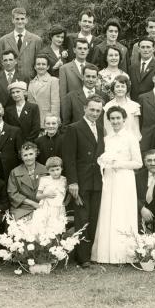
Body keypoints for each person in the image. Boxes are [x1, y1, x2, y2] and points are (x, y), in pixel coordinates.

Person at [91, 105, 142, 264]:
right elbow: (101, 158)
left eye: (118, 118)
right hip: (109, 179)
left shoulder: (131, 137)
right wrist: (103, 162)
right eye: (112, 118)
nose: (115, 121)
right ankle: (106, 254)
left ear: (124, 119)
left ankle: (124, 253)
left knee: (122, 211)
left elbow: (138, 163)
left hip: (124, 178)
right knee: (108, 211)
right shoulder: (106, 139)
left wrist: (117, 163)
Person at [62, 95, 105, 268]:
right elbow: (69, 157)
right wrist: (73, 182)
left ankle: (88, 254)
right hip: (81, 181)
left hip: (98, 181)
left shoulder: (101, 128)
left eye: (98, 111)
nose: (95, 113)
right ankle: (81, 258)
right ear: (85, 108)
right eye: (92, 109)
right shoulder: (74, 128)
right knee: (82, 218)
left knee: (94, 218)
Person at [0, 7, 44, 80]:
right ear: (12, 20)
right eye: (17, 19)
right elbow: (2, 62)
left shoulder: (36, 40)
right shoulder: (3, 40)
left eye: (22, 19)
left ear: (26, 20)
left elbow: (40, 62)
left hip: (31, 80)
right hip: (11, 80)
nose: (20, 21)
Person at [7, 142, 47, 221]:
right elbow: (13, 193)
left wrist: (42, 204)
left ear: (36, 154)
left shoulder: (45, 170)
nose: (28, 158)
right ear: (21, 157)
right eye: (25, 155)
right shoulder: (15, 172)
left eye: (31, 154)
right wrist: (32, 203)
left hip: (42, 205)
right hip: (22, 208)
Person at [103, 74, 141, 139]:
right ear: (113, 88)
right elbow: (106, 128)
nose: (120, 89)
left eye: (123, 86)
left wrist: (136, 141)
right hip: (113, 141)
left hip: (130, 141)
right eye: (117, 86)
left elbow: (136, 128)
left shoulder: (134, 106)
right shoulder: (108, 106)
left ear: (127, 88)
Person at [34, 156, 67, 230]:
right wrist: (46, 195)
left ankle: (58, 240)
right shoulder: (44, 180)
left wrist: (65, 202)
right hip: (47, 208)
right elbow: (37, 196)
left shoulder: (64, 180)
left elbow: (67, 193)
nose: (55, 172)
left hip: (59, 208)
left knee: (58, 227)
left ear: (62, 168)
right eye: (52, 170)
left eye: (57, 169)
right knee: (47, 228)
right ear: (48, 171)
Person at [27, 54, 60, 127]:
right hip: (33, 121)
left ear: (48, 67)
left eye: (43, 64)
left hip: (47, 120)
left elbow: (55, 104)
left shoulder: (53, 81)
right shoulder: (31, 82)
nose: (41, 66)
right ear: (35, 67)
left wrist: (53, 122)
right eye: (38, 64)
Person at [130, 37, 155, 101]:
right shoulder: (132, 68)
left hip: (151, 105)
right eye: (143, 47)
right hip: (134, 105)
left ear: (153, 49)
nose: (145, 50)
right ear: (139, 49)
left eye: (148, 47)